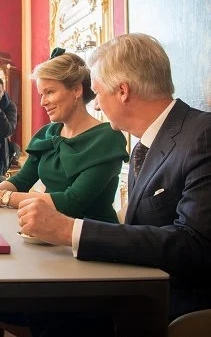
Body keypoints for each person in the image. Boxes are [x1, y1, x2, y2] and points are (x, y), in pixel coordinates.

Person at [11, 34, 210, 334]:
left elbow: (193, 246)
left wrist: (68, 230)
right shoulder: (153, 141)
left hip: (173, 306)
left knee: (47, 310)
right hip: (138, 286)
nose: (99, 105)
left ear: (123, 91)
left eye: (99, 92)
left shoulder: (201, 136)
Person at [0, 49, 128, 223]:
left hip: (90, 241)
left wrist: (0, 196)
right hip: (45, 233)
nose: (43, 102)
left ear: (76, 90)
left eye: (50, 92)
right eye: (41, 94)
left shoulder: (107, 137)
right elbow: (21, 180)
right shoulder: (48, 133)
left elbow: (72, 202)